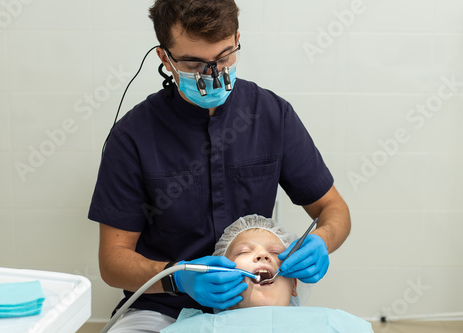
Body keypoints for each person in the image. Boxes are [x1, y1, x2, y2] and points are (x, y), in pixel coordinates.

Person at [88, 0, 351, 331]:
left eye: (224, 57)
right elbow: (112, 262)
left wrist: (323, 241)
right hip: (163, 307)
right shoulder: (132, 137)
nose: (213, 74)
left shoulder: (272, 116)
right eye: (194, 63)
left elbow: (333, 208)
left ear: (237, 38)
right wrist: (178, 278)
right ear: (164, 58)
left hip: (254, 305)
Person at [160, 215, 372, 333]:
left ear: (295, 285)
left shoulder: (336, 325)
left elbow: (333, 206)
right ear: (218, 277)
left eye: (275, 252)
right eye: (244, 251)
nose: (262, 255)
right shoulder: (191, 329)